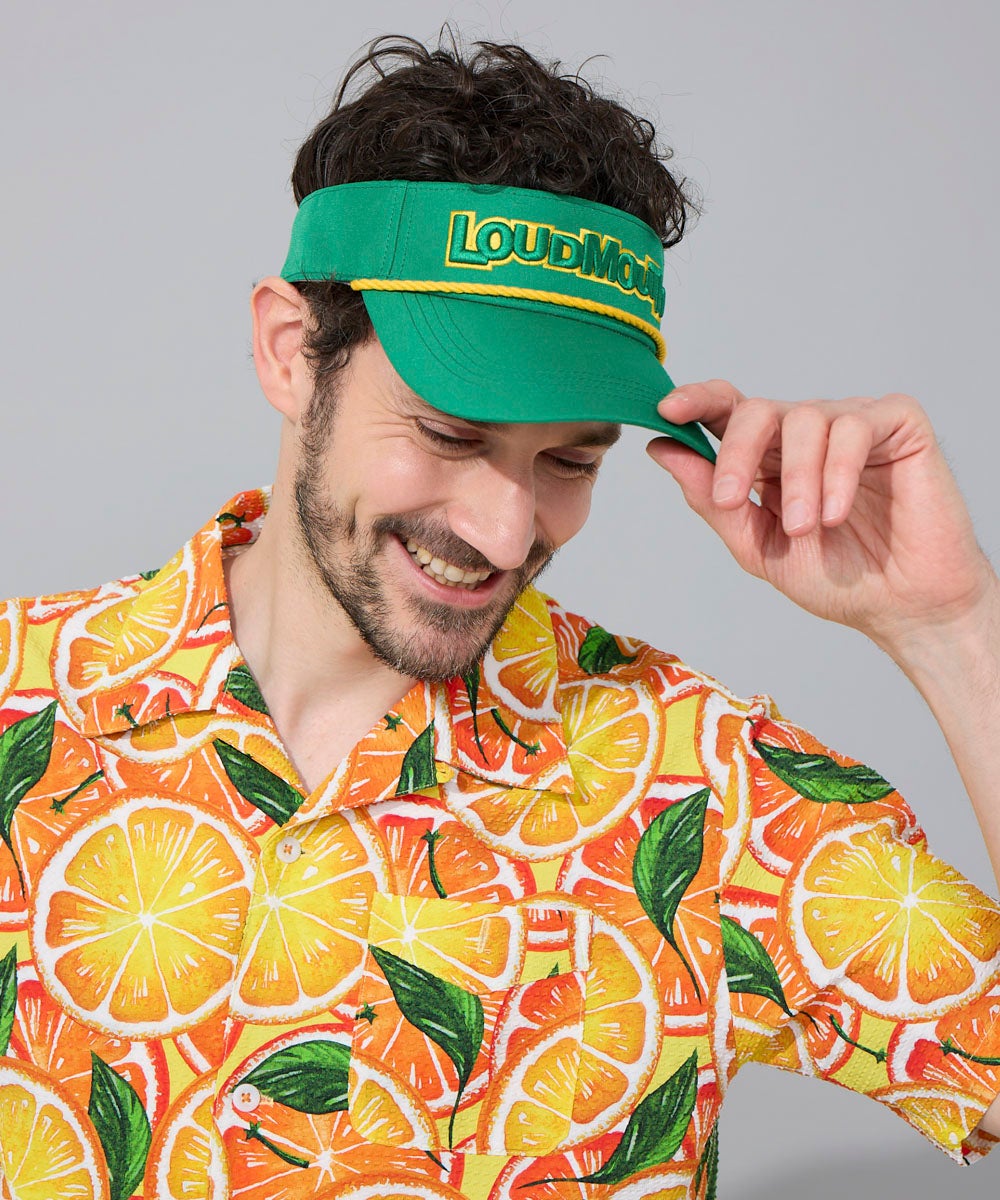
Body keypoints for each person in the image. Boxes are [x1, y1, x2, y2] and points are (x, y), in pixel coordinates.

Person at [0, 31, 998, 1200]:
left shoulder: (700, 793)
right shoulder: (21, 702)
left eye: (569, 460)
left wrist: (951, 627)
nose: (507, 530)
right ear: (291, 351)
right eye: (449, 434)